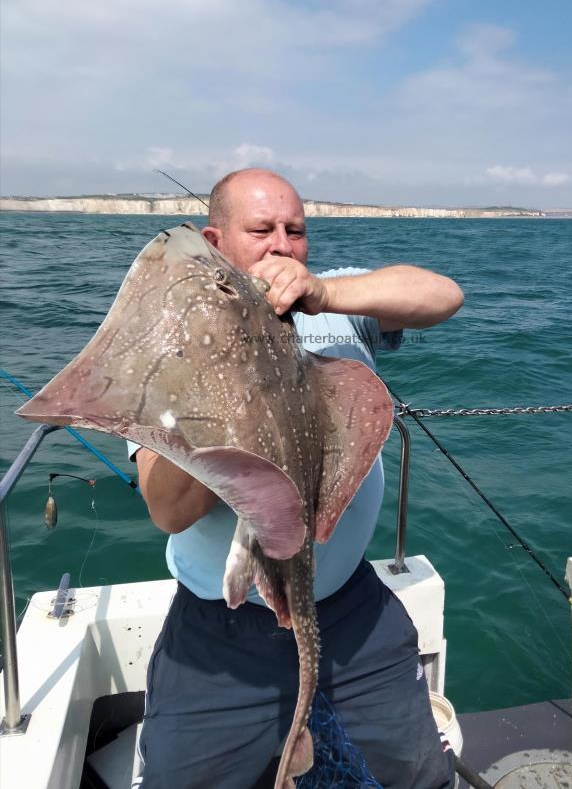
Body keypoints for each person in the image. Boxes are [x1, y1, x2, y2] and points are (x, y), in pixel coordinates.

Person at [128, 168, 464, 789]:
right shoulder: (170, 338)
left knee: (420, 775)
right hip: (220, 633)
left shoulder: (334, 304)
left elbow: (443, 295)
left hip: (349, 606)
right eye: (261, 229)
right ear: (216, 240)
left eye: (296, 230)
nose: (281, 244)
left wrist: (327, 295)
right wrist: (219, 386)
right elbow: (169, 513)